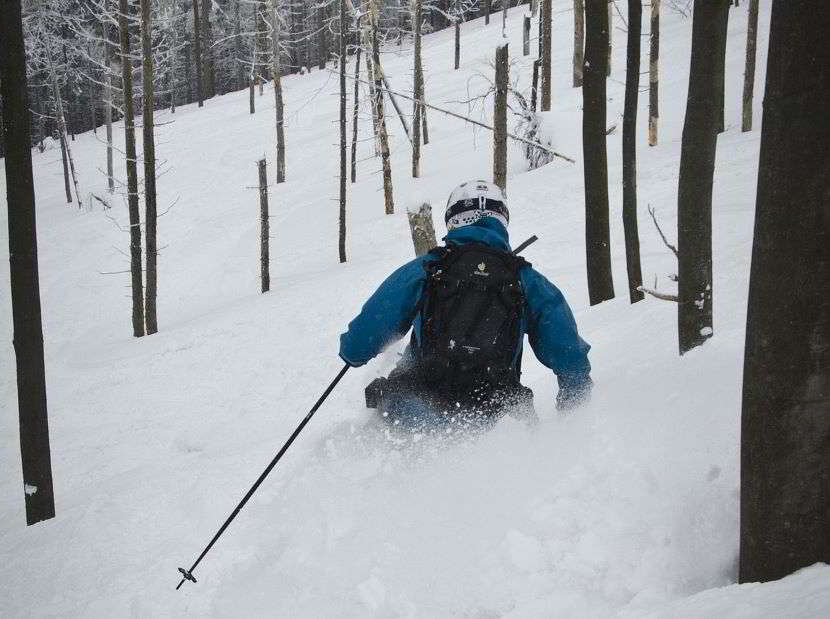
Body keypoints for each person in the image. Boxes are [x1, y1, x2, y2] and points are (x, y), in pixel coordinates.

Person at [339, 180, 592, 432]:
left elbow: (363, 337)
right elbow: (570, 357)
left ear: (453, 218)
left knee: (389, 409)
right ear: (502, 218)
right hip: (499, 413)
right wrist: (572, 421)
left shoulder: (427, 269)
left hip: (418, 408)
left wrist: (352, 352)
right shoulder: (528, 281)